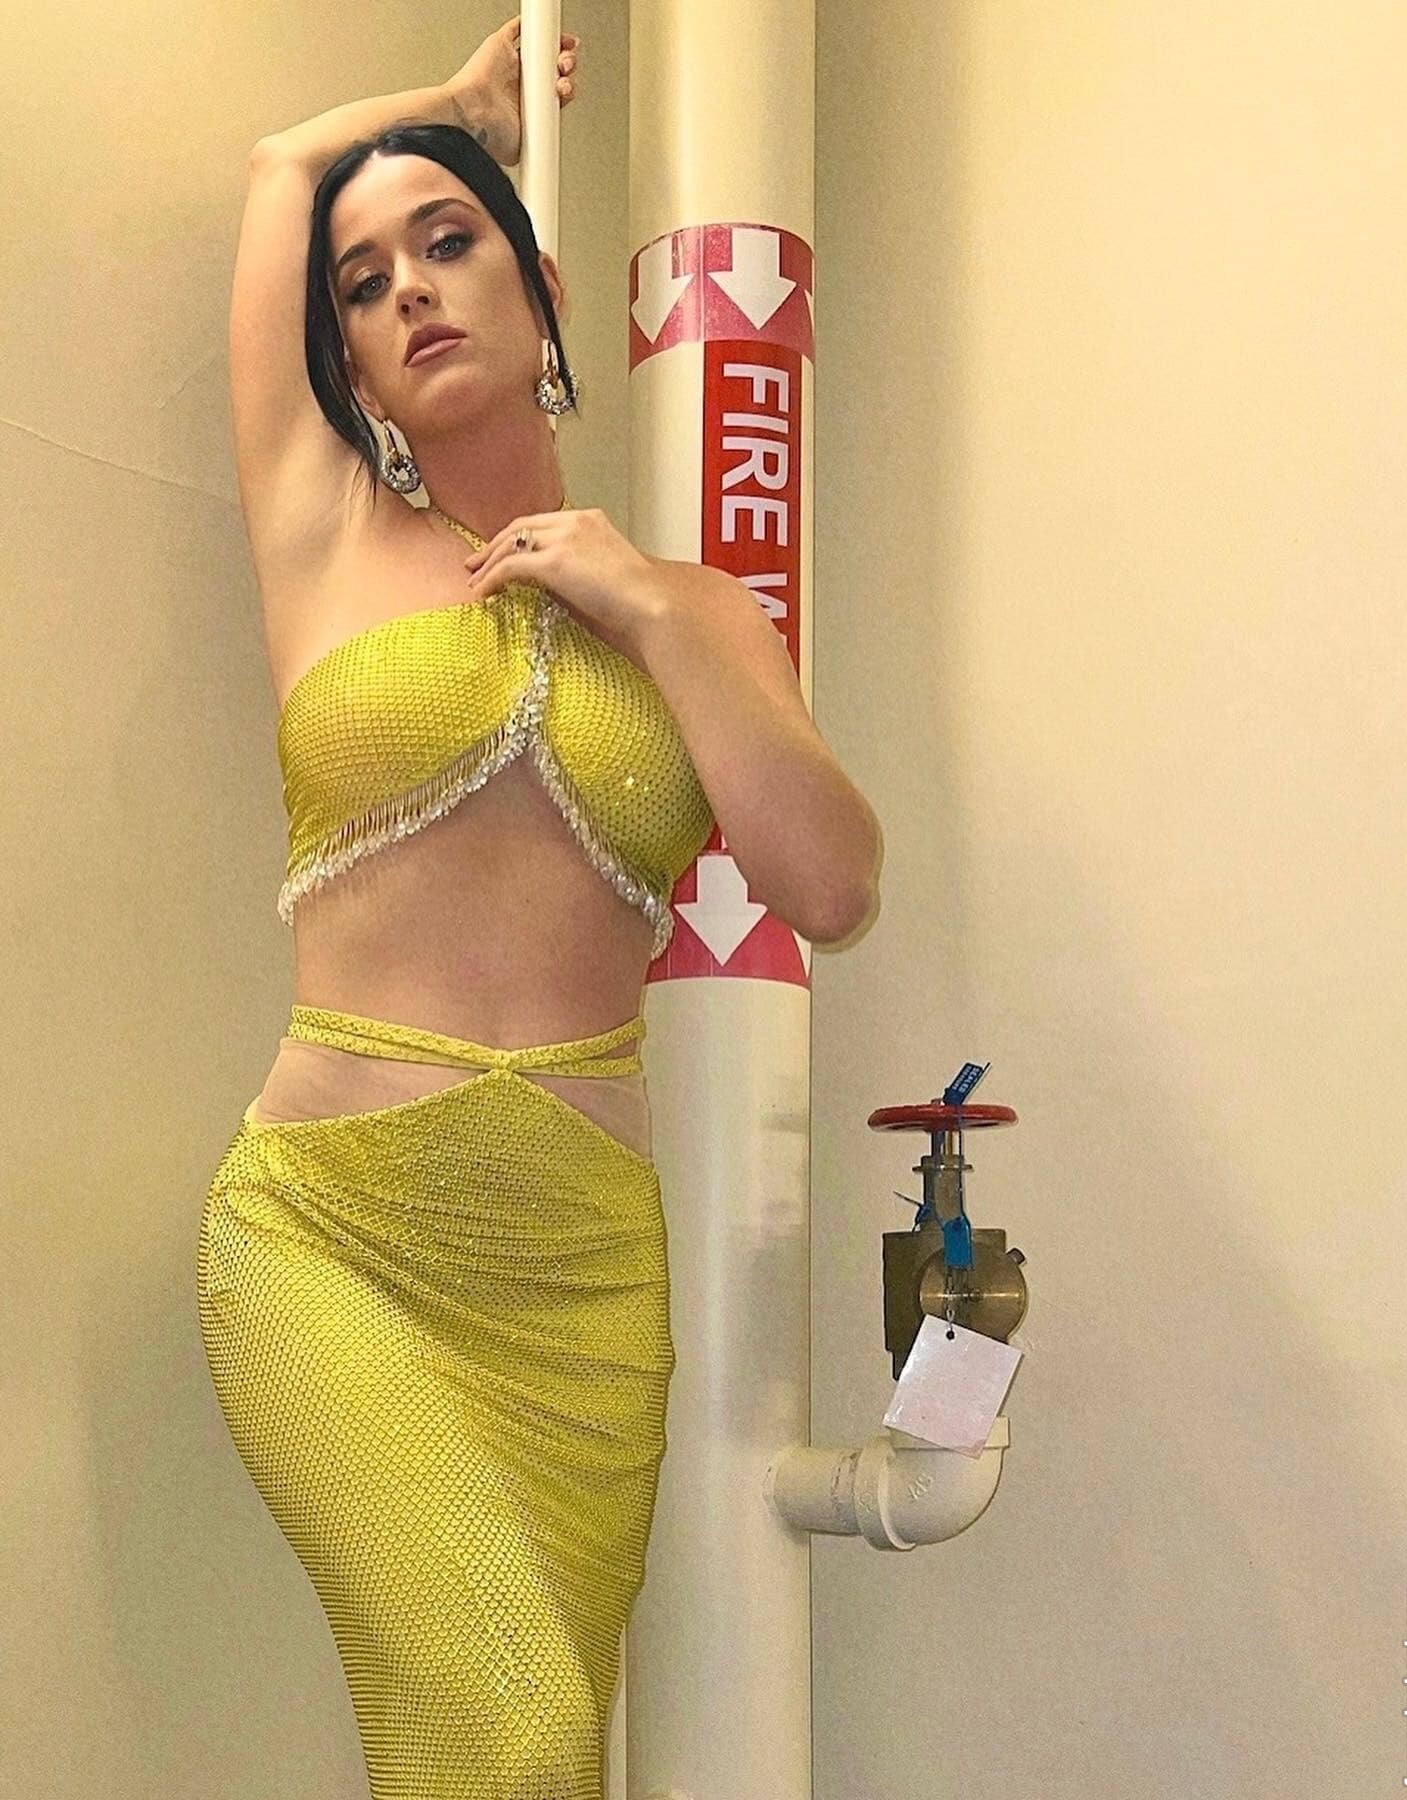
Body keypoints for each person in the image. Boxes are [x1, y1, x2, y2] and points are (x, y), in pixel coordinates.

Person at [197, 16, 881, 1798]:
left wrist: (641, 605)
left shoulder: (693, 611)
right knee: (507, 1728)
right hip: (336, 1238)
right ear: (348, 355)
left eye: (449, 242)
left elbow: (832, 883)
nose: (410, 291)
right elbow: (280, 169)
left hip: (584, 1284)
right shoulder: (325, 532)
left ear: (543, 288)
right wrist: (463, 110)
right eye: (365, 285)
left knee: (540, 1759)